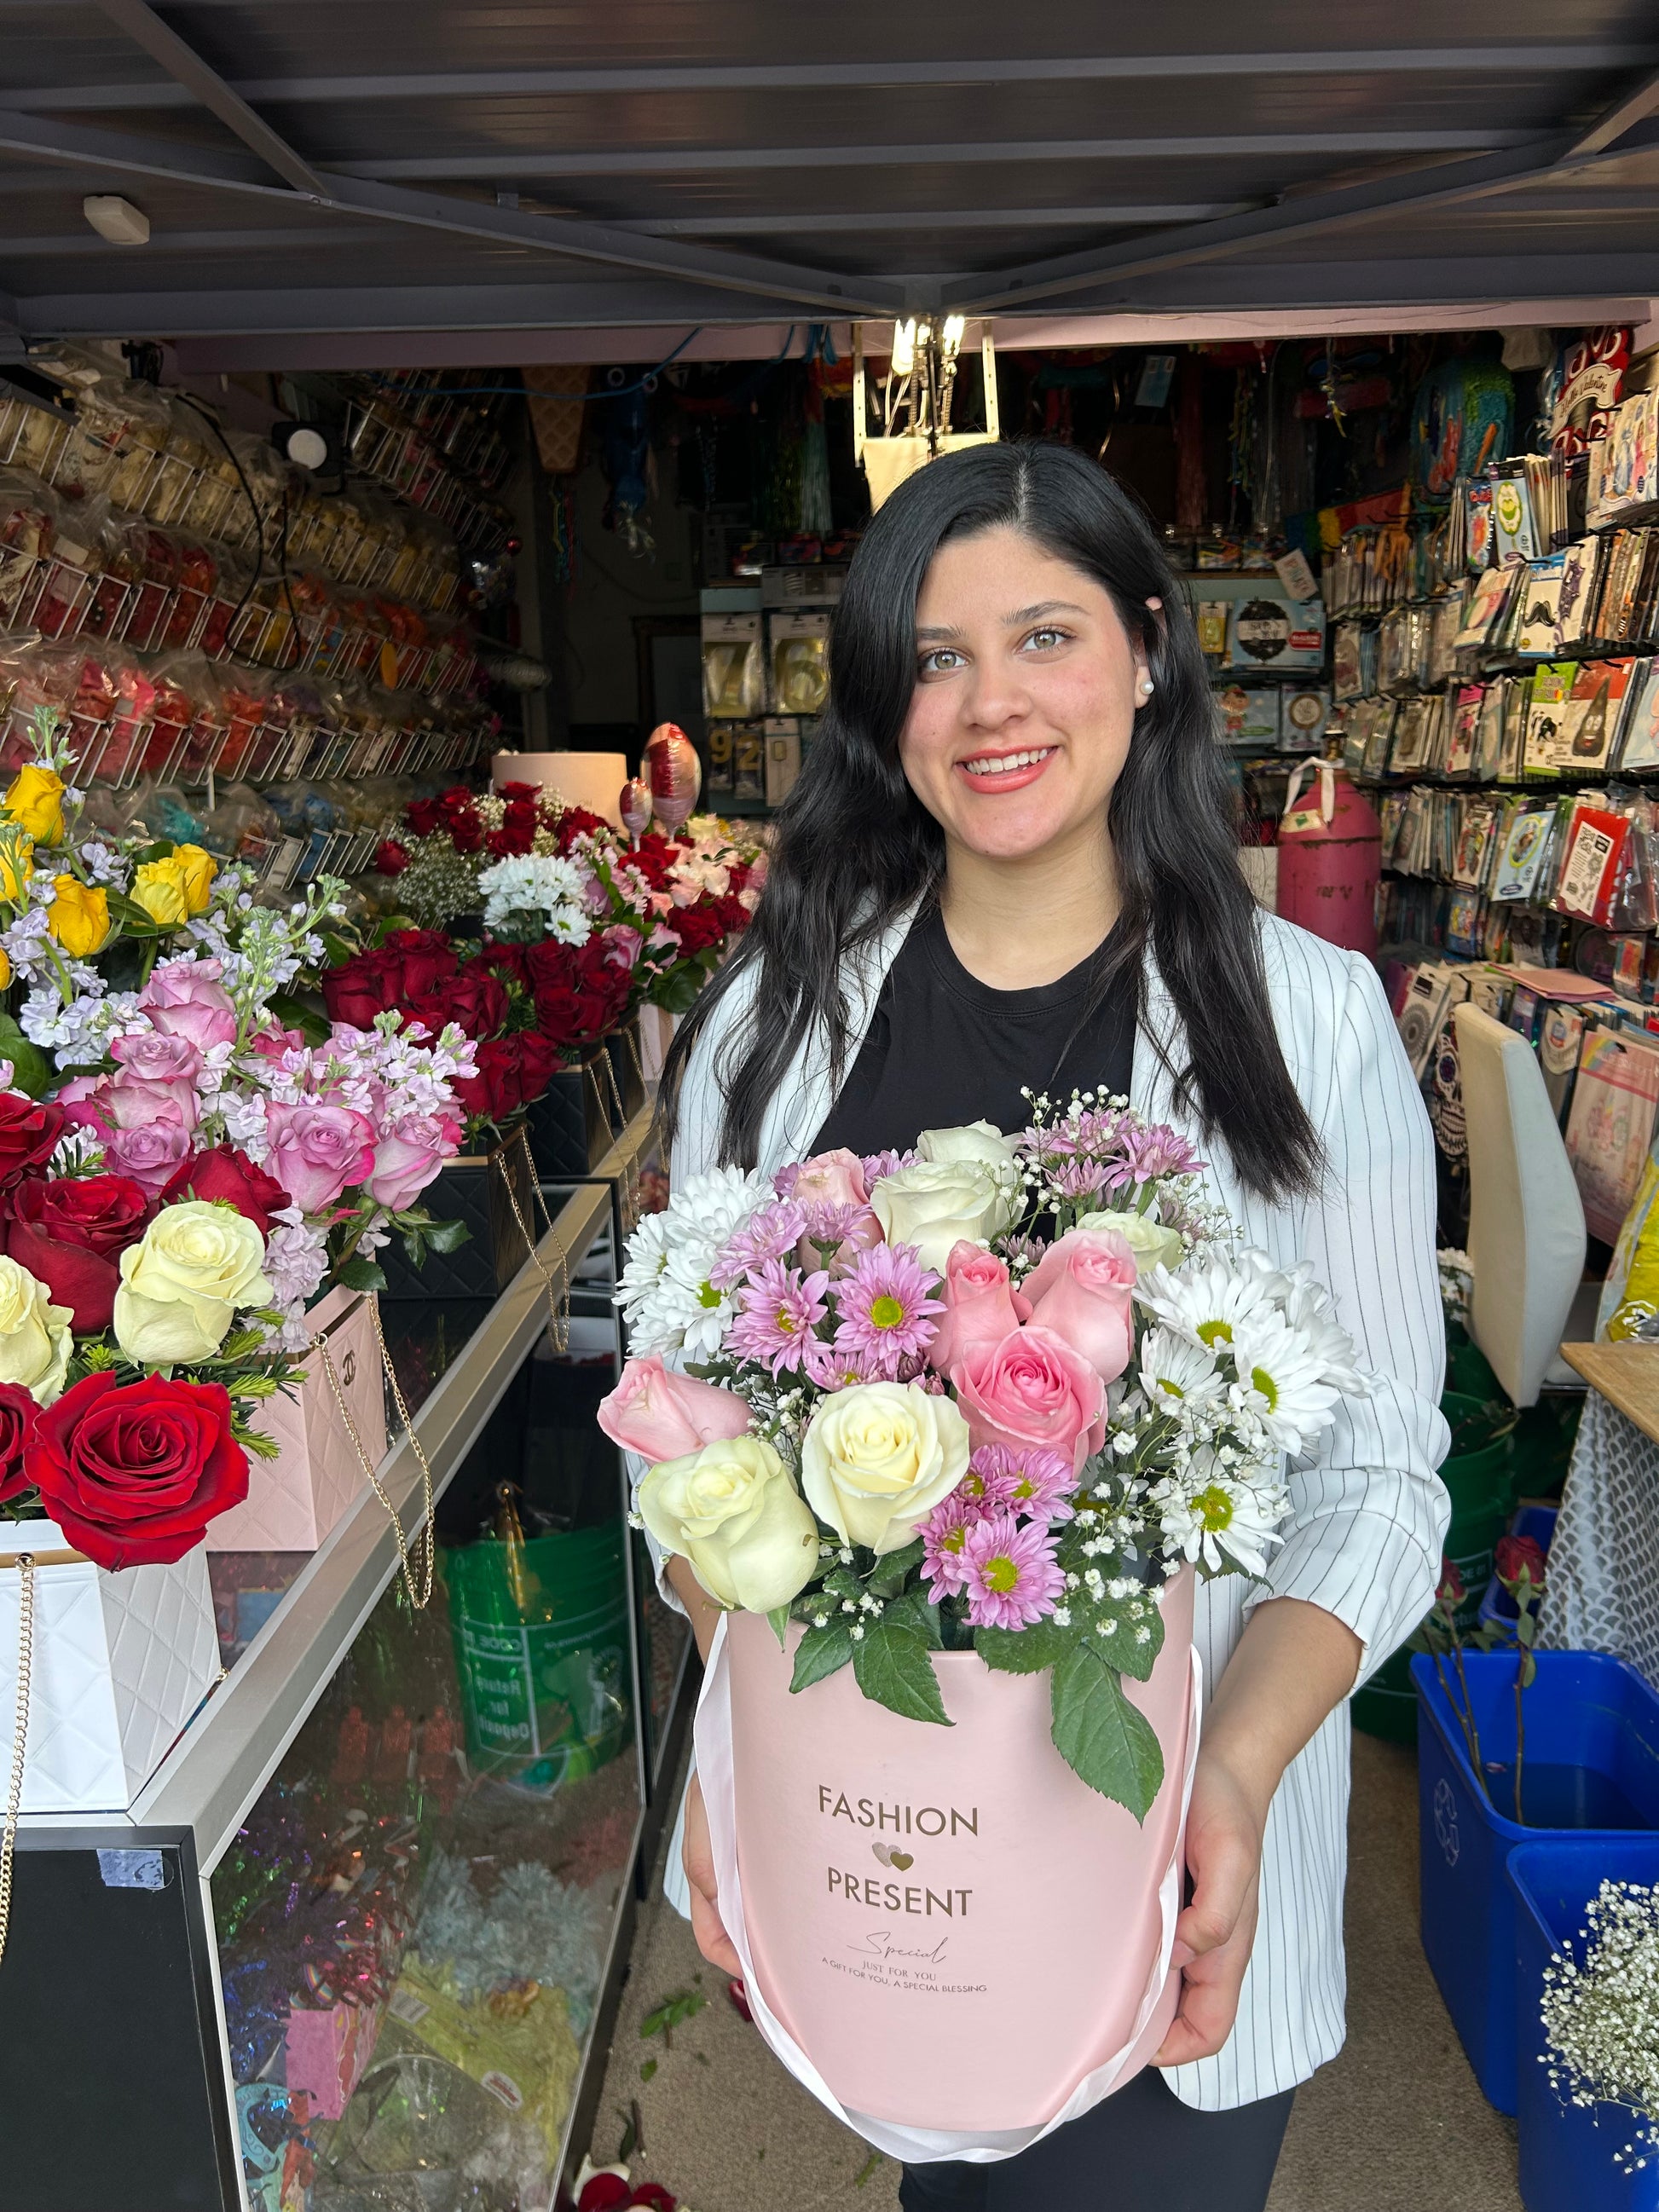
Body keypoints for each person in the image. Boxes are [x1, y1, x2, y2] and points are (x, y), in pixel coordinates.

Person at [650, 440, 1449, 2211]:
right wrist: (729, 1728)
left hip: (1174, 1897)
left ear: (1151, 649)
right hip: (871, 1869)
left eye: (1042, 636)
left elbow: (1385, 1466)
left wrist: (1229, 1776)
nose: (988, 704)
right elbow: (689, 1451)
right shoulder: (768, 1027)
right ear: (880, 700)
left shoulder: (1305, 1023)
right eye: (932, 657)